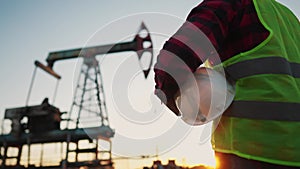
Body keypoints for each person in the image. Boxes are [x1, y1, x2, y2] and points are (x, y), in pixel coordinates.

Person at [154, 0, 300, 168]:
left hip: (248, 150)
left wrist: (171, 97)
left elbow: (173, 61)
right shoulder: (290, 19)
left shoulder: (230, 4)